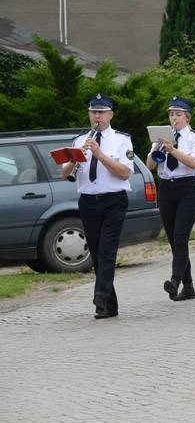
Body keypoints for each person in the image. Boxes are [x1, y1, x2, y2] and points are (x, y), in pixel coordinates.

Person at [61, 94, 133, 319]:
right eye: (93, 112)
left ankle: (100, 294)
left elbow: (125, 173)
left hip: (114, 200)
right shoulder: (79, 140)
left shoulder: (122, 140)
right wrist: (75, 158)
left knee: (107, 252)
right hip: (88, 202)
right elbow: (66, 174)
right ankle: (109, 306)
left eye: (101, 112)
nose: (97, 116)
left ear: (110, 114)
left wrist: (99, 154)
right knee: (96, 251)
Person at [146, 96, 195, 302]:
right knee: (173, 239)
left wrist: (173, 150)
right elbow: (150, 166)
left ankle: (175, 280)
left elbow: (194, 163)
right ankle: (188, 287)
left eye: (178, 115)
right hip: (166, 189)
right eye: (171, 115)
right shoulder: (161, 138)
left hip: (187, 188)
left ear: (187, 117)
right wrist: (157, 149)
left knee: (181, 236)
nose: (174, 118)